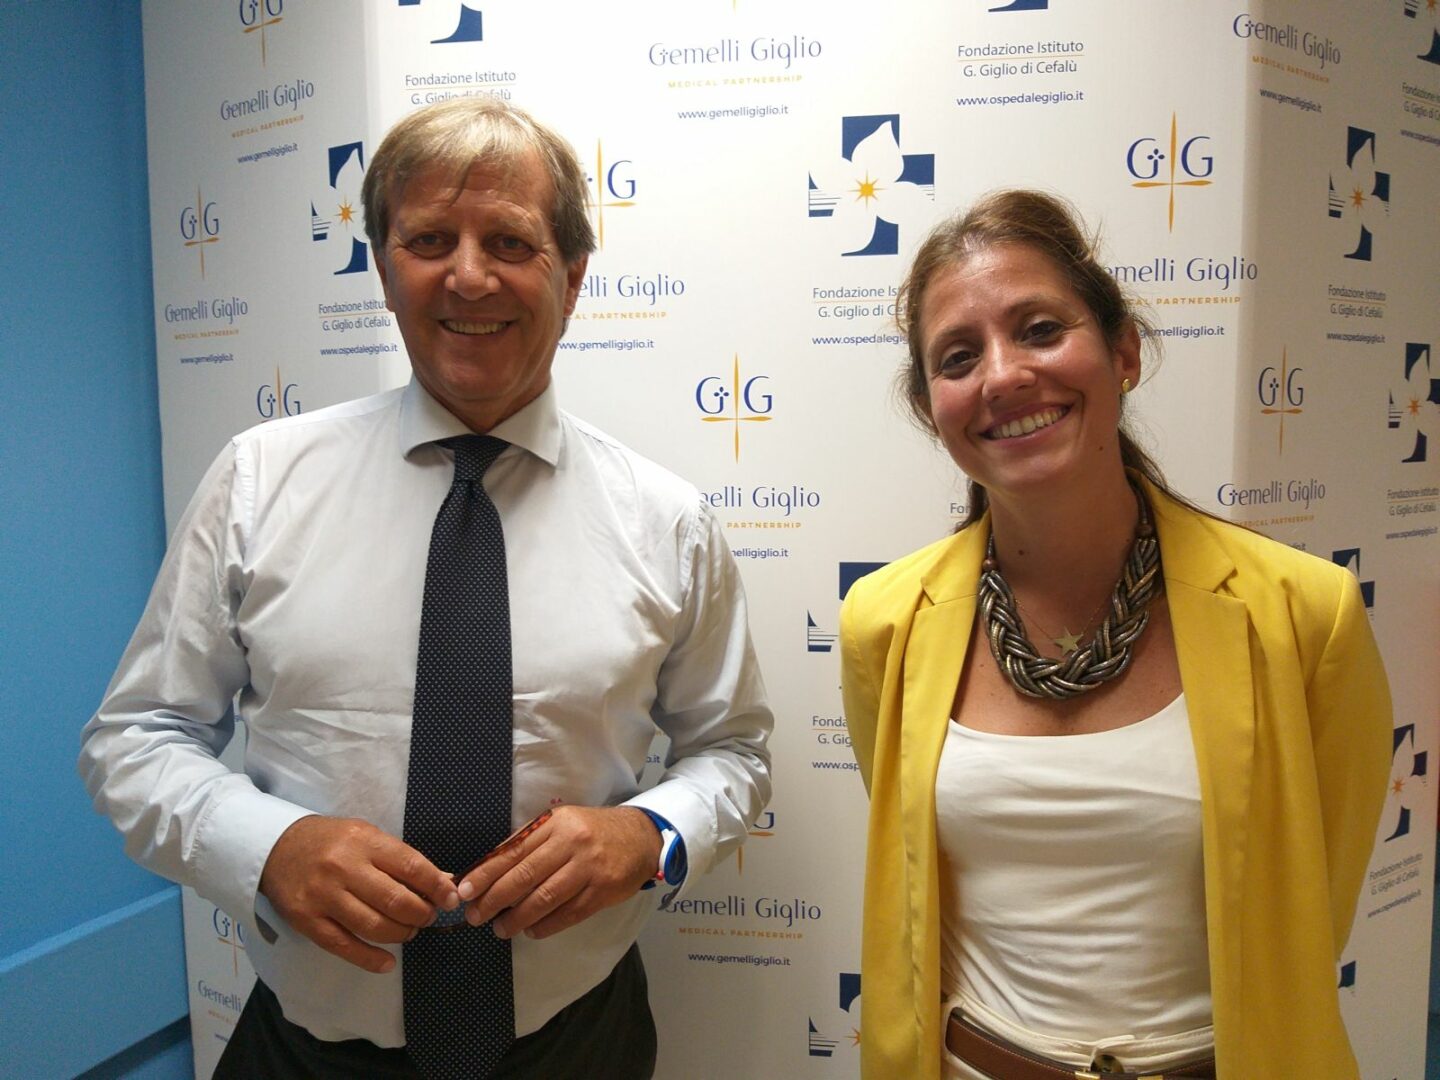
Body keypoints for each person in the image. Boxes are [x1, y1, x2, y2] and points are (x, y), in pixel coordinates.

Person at [79, 98, 772, 1080]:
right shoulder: (259, 483)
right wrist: (268, 848)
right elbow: (134, 737)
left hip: (578, 1045)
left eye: (510, 242)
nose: (469, 275)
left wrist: (649, 835)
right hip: (309, 1055)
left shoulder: (668, 523)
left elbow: (734, 751)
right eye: (430, 240)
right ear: (383, 269)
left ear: (573, 277)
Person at [839, 190, 1391, 1080]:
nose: (1002, 376)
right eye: (958, 356)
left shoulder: (1303, 616)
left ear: (1123, 352)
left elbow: (1311, 912)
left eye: (1040, 330)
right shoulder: (884, 623)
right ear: (931, 405)